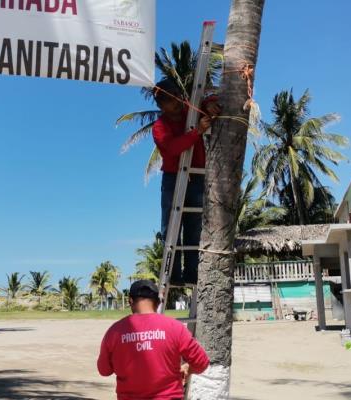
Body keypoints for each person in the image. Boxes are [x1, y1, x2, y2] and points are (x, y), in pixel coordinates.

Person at [152, 79, 220, 285]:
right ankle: (172, 275)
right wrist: (196, 132)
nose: (176, 103)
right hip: (174, 178)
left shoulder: (191, 112)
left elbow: (212, 98)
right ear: (160, 105)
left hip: (197, 175)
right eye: (169, 101)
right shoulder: (160, 126)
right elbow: (172, 148)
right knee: (171, 227)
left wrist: (210, 104)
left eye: (176, 97)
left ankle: (192, 273)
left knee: (194, 227)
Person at [97, 280, 210, 400]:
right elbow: (202, 363)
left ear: (130, 301)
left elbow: (104, 370)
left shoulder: (114, 332)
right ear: (158, 302)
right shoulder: (175, 328)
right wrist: (188, 368)